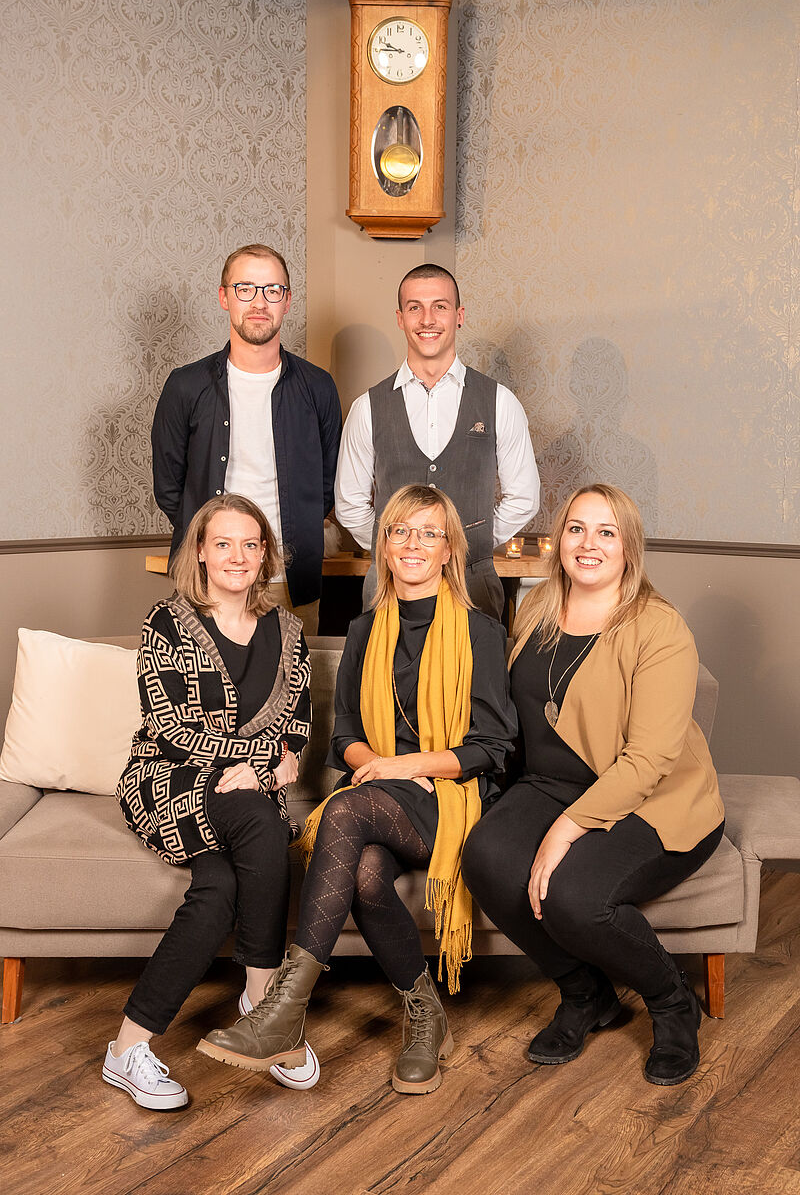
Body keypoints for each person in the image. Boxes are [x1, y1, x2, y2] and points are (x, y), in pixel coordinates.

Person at [197, 485, 516, 1094]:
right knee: (366, 873)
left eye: (429, 533)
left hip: (452, 798)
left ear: (449, 549)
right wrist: (379, 765)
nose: (413, 544)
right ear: (384, 546)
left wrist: (404, 767)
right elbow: (344, 732)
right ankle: (426, 1016)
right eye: (400, 531)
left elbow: (492, 747)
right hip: (379, 798)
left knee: (343, 811)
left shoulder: (481, 632)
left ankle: (285, 1012)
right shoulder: (365, 629)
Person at [461, 484, 725, 1086]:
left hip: (654, 798)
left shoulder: (659, 628)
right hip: (552, 785)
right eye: (576, 528)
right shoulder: (536, 608)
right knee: (486, 858)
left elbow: (650, 759)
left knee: (574, 897)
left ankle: (671, 1001)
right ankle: (586, 995)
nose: (589, 543)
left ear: (629, 547)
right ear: (559, 541)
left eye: (607, 532)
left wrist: (564, 830)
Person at [104, 494, 319, 1110]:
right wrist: (264, 766)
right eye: (223, 543)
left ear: (265, 554)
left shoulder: (288, 631)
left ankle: (127, 1048)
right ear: (200, 550)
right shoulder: (167, 623)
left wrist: (279, 761)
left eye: (251, 544)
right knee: (260, 821)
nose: (238, 556)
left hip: (246, 789)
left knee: (220, 887)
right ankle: (265, 1004)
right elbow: (173, 727)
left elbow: (298, 723)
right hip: (169, 778)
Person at [152, 244, 342, 635]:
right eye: (245, 289)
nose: (259, 302)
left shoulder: (318, 387)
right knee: (201, 674)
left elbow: (328, 485)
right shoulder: (185, 386)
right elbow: (169, 487)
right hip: (205, 577)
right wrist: (215, 544)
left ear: (287, 301)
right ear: (225, 297)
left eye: (272, 290)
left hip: (289, 578)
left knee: (292, 673)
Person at [334, 264, 540, 620]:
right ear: (400, 318)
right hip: (389, 587)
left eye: (439, 306)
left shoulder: (499, 402)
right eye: (415, 307)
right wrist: (397, 550)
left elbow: (524, 497)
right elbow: (349, 504)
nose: (427, 319)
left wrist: (469, 544)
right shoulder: (367, 407)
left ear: (459, 316)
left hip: (473, 585)